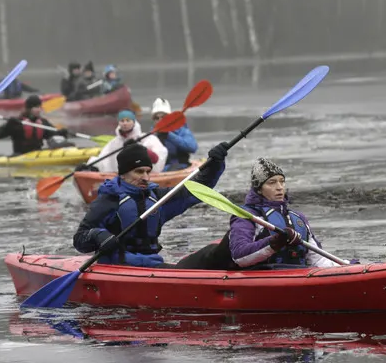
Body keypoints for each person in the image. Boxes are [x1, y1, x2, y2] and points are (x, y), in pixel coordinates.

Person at [73, 141, 229, 267]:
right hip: (119, 265)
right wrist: (99, 235)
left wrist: (215, 165)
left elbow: (195, 190)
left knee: (211, 254)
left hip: (152, 264)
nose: (146, 177)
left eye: (148, 171)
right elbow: (80, 239)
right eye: (139, 172)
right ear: (123, 173)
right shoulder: (109, 200)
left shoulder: (157, 197)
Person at [176, 158, 351, 270]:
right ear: (259, 189)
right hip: (259, 277)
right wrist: (274, 242)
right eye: (272, 182)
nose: (279, 187)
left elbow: (318, 259)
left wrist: (346, 268)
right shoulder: (247, 217)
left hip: (294, 275)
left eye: (282, 181)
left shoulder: (297, 218)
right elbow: (240, 256)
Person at [80, 109, 167, 174]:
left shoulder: (148, 139)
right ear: (119, 123)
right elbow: (103, 159)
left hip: (143, 177)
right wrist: (89, 166)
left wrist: (138, 148)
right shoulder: (114, 143)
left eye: (128, 120)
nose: (125, 123)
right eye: (122, 121)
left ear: (134, 122)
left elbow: (156, 159)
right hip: (121, 178)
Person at [0, 94, 70, 156]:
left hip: (38, 155)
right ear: (29, 108)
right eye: (36, 107)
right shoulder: (17, 122)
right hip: (20, 156)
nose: (39, 110)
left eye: (40, 107)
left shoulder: (43, 122)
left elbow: (53, 135)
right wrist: (8, 126)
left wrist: (61, 133)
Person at [151, 97, 197, 171]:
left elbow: (192, 147)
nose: (160, 120)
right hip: (159, 168)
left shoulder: (181, 129)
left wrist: (169, 135)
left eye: (163, 117)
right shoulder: (152, 134)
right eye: (157, 118)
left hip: (180, 165)